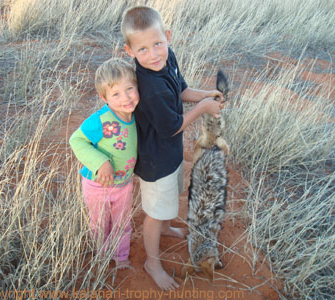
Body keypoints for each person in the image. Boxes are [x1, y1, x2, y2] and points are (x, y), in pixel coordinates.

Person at [121, 6, 224, 290]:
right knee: (155, 211)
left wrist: (206, 94)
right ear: (129, 51)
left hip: (171, 153)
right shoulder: (149, 85)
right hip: (156, 159)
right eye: (143, 50)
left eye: (157, 44)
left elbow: (181, 90)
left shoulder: (169, 59)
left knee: (171, 196)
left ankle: (166, 228)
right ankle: (152, 261)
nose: (153, 54)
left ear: (167, 37)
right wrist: (204, 107)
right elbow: (171, 127)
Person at [69, 58, 139, 269]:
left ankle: (120, 258)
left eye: (130, 89)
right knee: (100, 223)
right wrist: (101, 163)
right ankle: (101, 256)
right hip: (97, 185)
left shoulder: (137, 116)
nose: (125, 98)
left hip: (124, 184)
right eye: (116, 94)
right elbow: (76, 140)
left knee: (121, 223)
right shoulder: (100, 120)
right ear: (104, 97)